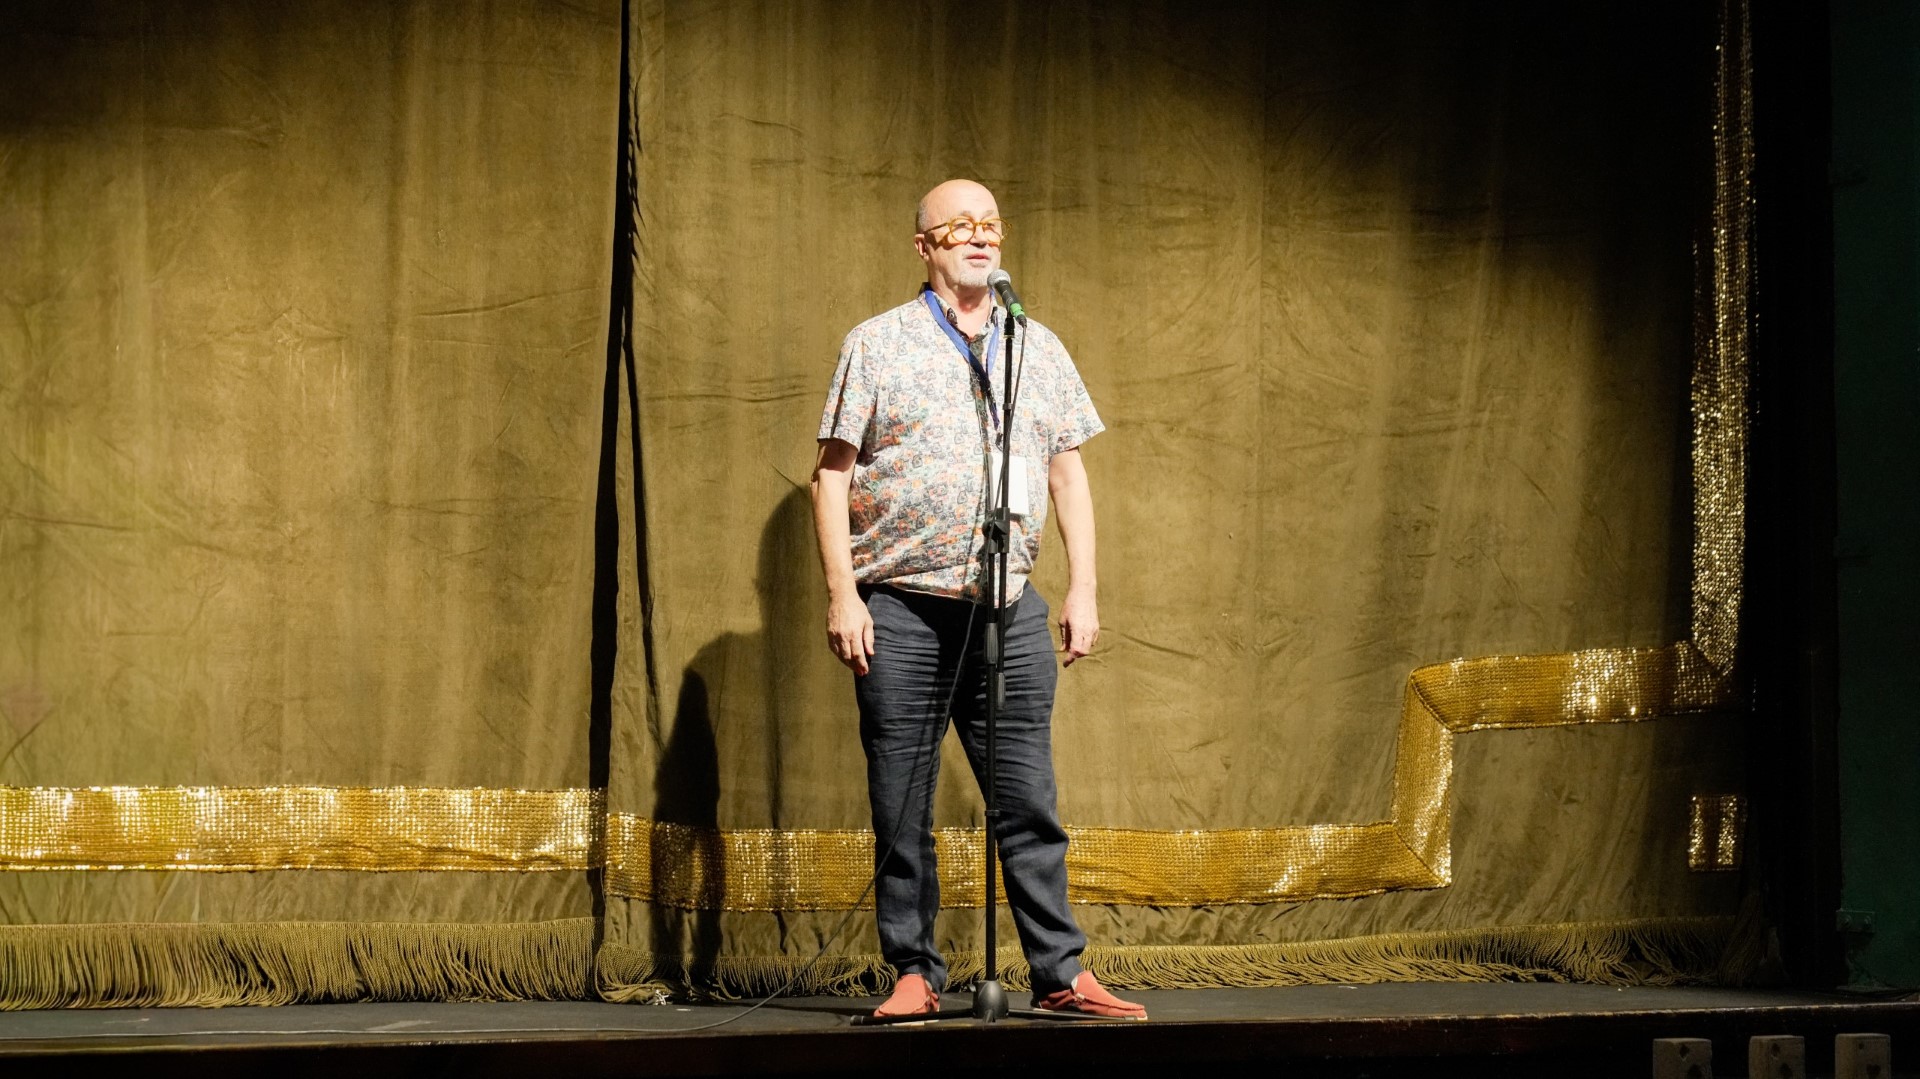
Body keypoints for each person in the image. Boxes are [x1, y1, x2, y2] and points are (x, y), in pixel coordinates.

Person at [809, 178, 1146, 1021]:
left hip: (1009, 608)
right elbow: (831, 476)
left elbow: (1068, 475)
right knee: (902, 804)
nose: (980, 237)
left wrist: (1083, 588)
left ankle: (1059, 972)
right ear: (924, 246)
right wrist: (844, 595)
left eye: (990, 224)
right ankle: (915, 972)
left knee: (1028, 798)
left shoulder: (1036, 345)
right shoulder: (878, 343)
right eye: (959, 226)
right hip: (902, 607)